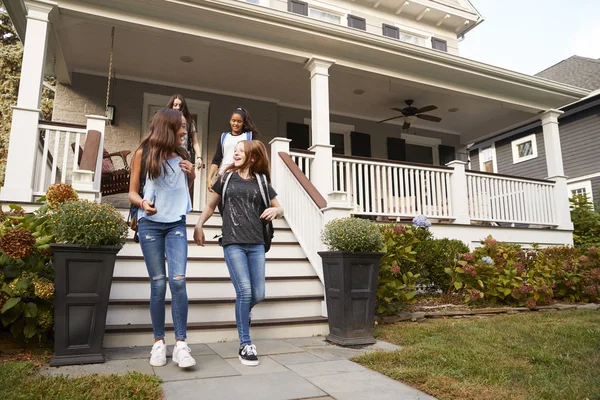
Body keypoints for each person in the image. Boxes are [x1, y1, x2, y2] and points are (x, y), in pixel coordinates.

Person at [194, 140, 283, 366]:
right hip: (233, 242)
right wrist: (198, 225)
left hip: (256, 243)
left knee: (259, 294)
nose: (235, 153)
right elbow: (210, 205)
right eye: (235, 151)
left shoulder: (262, 182)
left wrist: (276, 210)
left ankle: (244, 313)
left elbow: (279, 207)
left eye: (240, 151)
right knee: (244, 291)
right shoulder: (225, 178)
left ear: (252, 157)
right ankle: (245, 344)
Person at [128, 108, 197, 368]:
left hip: (176, 223)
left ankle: (181, 344)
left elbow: (185, 192)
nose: (184, 131)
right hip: (150, 226)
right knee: (158, 283)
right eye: (180, 126)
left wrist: (192, 175)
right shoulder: (142, 154)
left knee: (177, 281)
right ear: (167, 127)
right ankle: (159, 342)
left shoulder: (183, 154)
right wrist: (143, 203)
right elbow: (132, 193)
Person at [207, 107, 260, 193]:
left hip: (241, 176)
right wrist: (209, 178)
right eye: (233, 120)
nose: (236, 124)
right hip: (223, 175)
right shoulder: (224, 137)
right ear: (230, 121)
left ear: (243, 123)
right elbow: (217, 159)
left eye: (239, 121)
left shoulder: (248, 137)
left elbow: (255, 157)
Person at [167, 94, 202, 170]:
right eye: (175, 105)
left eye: (180, 105)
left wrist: (199, 157)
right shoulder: (166, 121)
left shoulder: (190, 122)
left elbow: (195, 142)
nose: (178, 108)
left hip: (184, 157)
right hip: (168, 156)